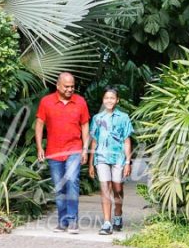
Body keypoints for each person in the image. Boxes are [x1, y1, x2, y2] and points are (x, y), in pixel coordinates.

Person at [35, 72, 90, 233]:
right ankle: (63, 221)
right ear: (58, 86)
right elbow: (39, 125)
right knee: (59, 187)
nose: (70, 89)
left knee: (72, 180)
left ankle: (73, 220)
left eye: (72, 86)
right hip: (54, 151)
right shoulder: (46, 102)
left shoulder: (80, 102)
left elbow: (85, 125)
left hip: (74, 148)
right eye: (66, 86)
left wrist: (85, 149)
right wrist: (40, 147)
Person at [88, 87, 134, 235]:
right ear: (103, 100)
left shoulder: (124, 117)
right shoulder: (97, 118)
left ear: (117, 100)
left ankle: (118, 214)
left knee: (117, 189)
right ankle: (107, 223)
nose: (109, 100)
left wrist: (128, 162)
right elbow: (94, 141)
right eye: (107, 98)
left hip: (118, 158)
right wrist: (91, 163)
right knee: (105, 188)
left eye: (112, 98)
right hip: (101, 157)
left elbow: (127, 140)